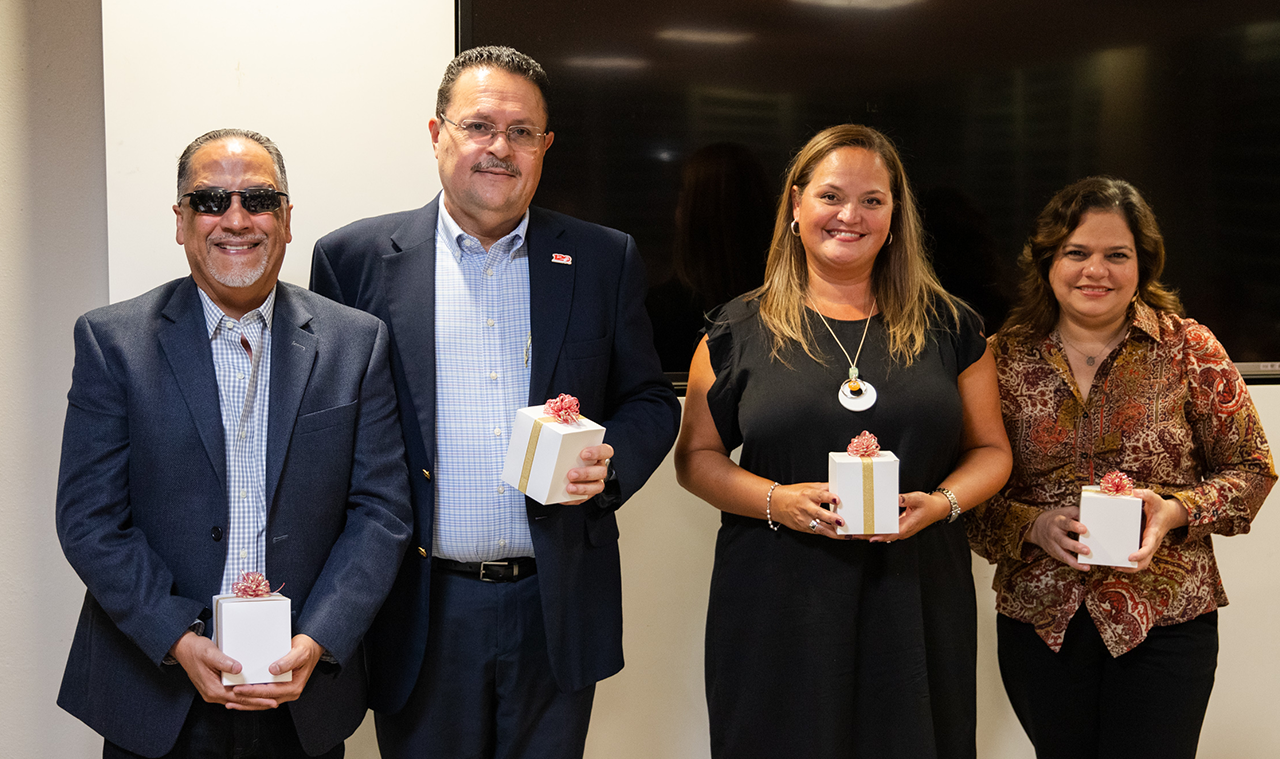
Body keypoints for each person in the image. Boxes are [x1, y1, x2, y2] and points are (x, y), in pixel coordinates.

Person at [311, 46, 681, 759]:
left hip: (555, 602)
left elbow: (646, 397)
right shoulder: (353, 260)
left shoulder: (604, 259)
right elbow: (328, 429)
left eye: (520, 132)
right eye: (479, 125)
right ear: (436, 134)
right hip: (418, 605)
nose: (499, 148)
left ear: (545, 146)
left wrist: (612, 463)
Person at [55, 128, 413, 758]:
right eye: (210, 201)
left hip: (303, 691)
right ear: (180, 220)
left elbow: (381, 512)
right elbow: (89, 520)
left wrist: (321, 639)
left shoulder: (357, 343)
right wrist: (176, 638)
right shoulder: (112, 343)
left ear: (287, 217)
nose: (236, 220)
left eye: (258, 199)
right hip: (157, 692)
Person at [674, 123, 1012, 759]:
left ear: (895, 215)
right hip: (777, 601)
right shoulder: (736, 330)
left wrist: (939, 503)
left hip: (916, 596)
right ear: (796, 205)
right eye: (830, 196)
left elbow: (992, 452)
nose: (850, 216)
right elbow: (696, 460)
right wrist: (778, 499)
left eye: (873, 201)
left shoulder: (953, 327)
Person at [966, 176, 1275, 759]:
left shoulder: (1191, 348)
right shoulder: (999, 358)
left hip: (1166, 620)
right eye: (1077, 253)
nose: (1095, 271)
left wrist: (1175, 511)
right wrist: (1032, 525)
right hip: (1041, 623)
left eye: (1117, 255)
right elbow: (967, 494)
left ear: (1143, 264)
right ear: (1048, 260)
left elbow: (1253, 467)